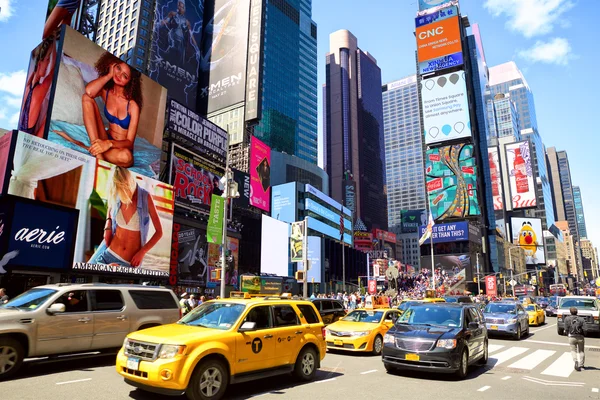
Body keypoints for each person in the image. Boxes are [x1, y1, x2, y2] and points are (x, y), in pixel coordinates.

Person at [54, 52, 143, 168]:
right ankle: (98, 154)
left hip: (119, 147)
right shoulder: (106, 92)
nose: (119, 75)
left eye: (125, 76)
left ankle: (90, 149)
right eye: (118, 68)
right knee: (86, 98)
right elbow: (89, 92)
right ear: (112, 65)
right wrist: (108, 76)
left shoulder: (132, 106)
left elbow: (129, 143)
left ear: (129, 82)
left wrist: (108, 144)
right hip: (104, 138)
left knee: (126, 156)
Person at [88, 167, 163, 268]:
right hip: (107, 255)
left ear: (129, 181)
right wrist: (108, 223)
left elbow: (159, 232)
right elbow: (110, 204)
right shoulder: (117, 191)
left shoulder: (145, 197)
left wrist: (142, 252)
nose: (121, 193)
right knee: (83, 273)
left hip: (128, 264)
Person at [19, 32, 57, 138]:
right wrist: (54, 42)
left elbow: (37, 69)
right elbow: (54, 67)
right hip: (30, 139)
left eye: (49, 59)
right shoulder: (39, 90)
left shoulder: (28, 87)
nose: (48, 63)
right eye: (47, 59)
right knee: (50, 114)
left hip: (24, 135)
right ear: (40, 63)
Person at [564, 307, 585, 371]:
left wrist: (568, 334)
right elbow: (585, 328)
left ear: (570, 312)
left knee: (573, 350)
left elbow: (566, 328)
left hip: (571, 336)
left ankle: (575, 361)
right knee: (581, 351)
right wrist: (583, 334)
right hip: (580, 336)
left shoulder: (567, 318)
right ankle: (581, 365)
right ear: (577, 312)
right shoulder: (581, 319)